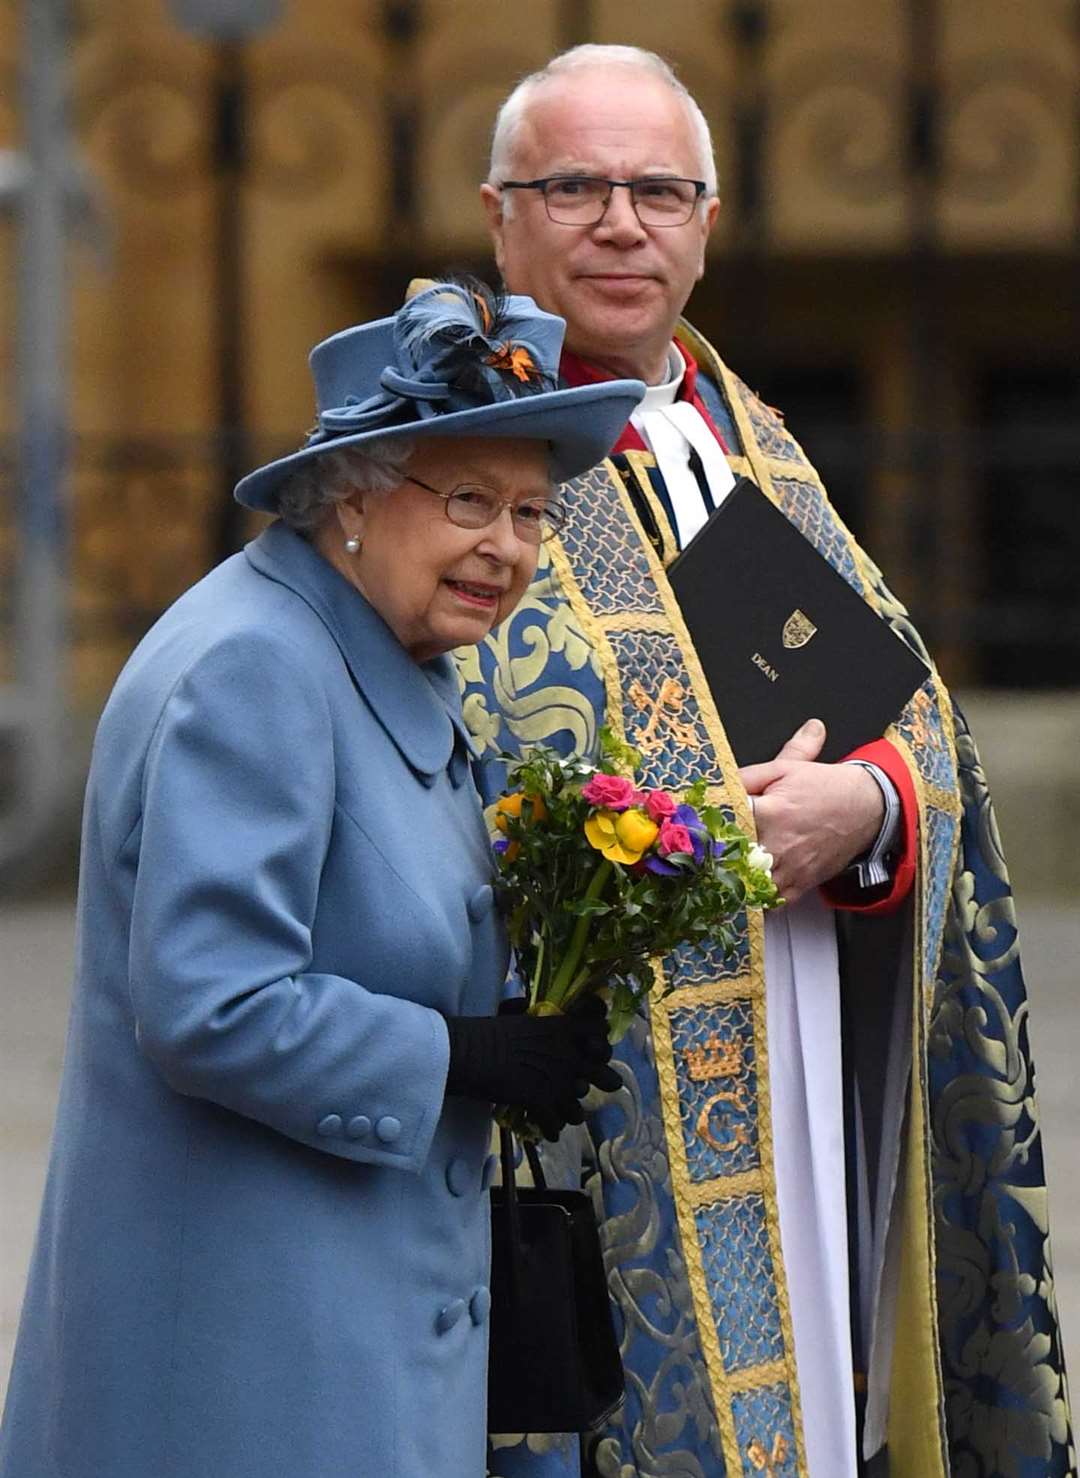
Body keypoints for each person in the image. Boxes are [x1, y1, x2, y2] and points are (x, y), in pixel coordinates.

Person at [463, 46, 1074, 1478]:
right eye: (577, 187)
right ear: (503, 216)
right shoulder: (444, 437)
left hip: (806, 1036)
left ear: (708, 220)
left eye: (661, 189)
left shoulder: (746, 438)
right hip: (584, 1087)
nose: (624, 222)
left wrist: (864, 807)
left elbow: (916, 725)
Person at [0, 279, 641, 1478]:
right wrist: (461, 1055)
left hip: (336, 1325)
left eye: (530, 512)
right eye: (465, 499)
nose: (505, 548)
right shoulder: (256, 667)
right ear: (350, 495)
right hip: (251, 1359)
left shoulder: (372, 651)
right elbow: (212, 1002)